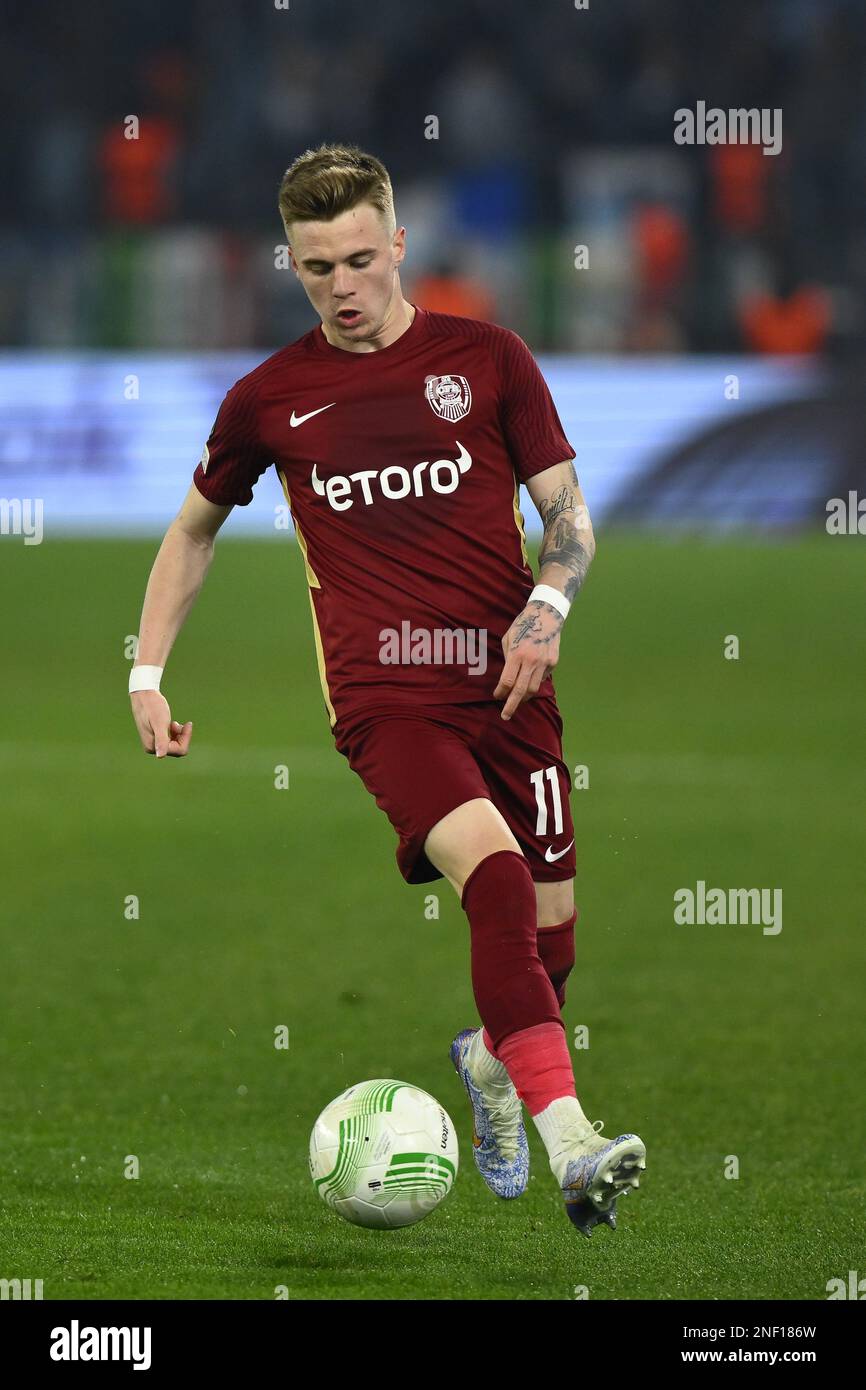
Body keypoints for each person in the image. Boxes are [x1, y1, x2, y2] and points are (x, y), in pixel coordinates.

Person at [128, 143, 645, 1235]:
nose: (343, 288)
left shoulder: (489, 359)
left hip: (510, 691)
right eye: (317, 268)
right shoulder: (269, 398)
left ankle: (493, 1065)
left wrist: (546, 609)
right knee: (497, 886)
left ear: (401, 244)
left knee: (552, 948)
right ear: (293, 263)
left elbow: (567, 518)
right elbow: (192, 531)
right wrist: (145, 669)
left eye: (361, 259)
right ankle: (573, 1147)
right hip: (386, 703)